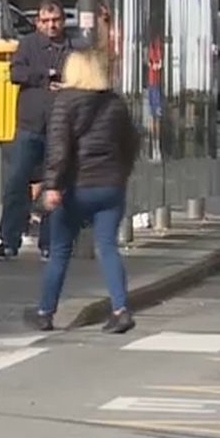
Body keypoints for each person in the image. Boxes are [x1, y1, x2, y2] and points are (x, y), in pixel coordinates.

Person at [31, 51, 139, 333]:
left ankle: (45, 312)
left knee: (59, 251)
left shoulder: (65, 102)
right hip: (110, 187)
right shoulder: (115, 103)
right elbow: (131, 143)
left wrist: (52, 185)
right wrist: (121, 174)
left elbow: (58, 148)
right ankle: (120, 310)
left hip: (75, 188)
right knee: (108, 247)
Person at [0, 0, 74, 262]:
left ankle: (50, 243)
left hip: (59, 127)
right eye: (45, 21)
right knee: (17, 183)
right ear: (37, 22)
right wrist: (46, 75)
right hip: (29, 125)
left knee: (55, 185)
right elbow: (16, 73)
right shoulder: (28, 45)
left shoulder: (72, 48)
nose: (51, 26)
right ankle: (9, 241)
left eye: (55, 20)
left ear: (63, 21)